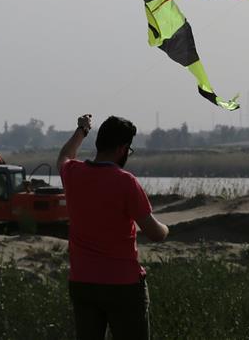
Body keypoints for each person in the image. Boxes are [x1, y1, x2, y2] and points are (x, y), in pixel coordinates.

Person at [57, 114, 169, 340]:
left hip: (82, 283)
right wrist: (166, 228)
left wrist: (81, 130)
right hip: (123, 285)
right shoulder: (125, 181)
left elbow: (64, 156)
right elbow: (155, 233)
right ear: (122, 149)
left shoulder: (73, 173)